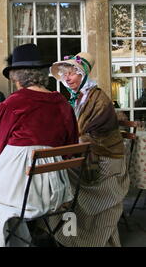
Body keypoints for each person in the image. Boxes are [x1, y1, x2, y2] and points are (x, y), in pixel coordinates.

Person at [0, 43, 79, 247]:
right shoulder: (62, 103)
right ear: (41, 74)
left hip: (19, 191)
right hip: (56, 191)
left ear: (16, 76)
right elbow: (70, 147)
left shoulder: (13, 103)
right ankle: (20, 241)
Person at [50, 52, 129, 247]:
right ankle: (68, 232)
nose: (67, 78)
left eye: (71, 73)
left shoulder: (98, 99)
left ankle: (85, 236)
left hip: (106, 159)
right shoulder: (77, 98)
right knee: (56, 172)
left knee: (59, 174)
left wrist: (65, 139)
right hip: (90, 153)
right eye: (64, 74)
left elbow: (87, 134)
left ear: (83, 73)